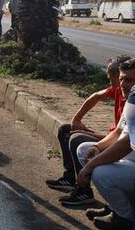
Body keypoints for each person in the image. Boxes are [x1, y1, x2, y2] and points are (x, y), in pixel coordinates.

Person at [45, 56, 132, 206]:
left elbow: (123, 140)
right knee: (66, 130)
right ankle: (70, 178)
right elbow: (96, 96)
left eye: (119, 79)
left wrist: (90, 139)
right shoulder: (120, 90)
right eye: (118, 79)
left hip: (123, 146)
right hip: (115, 138)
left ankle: (84, 190)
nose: (117, 84)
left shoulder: (131, 99)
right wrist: (77, 119)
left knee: (76, 139)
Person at [75, 61, 135, 230]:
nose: (122, 84)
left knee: (101, 173)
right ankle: (113, 205)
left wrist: (89, 168)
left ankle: (124, 217)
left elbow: (125, 145)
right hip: (127, 160)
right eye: (122, 79)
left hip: (131, 160)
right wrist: (98, 147)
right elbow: (117, 133)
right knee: (85, 150)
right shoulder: (131, 99)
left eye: (129, 80)